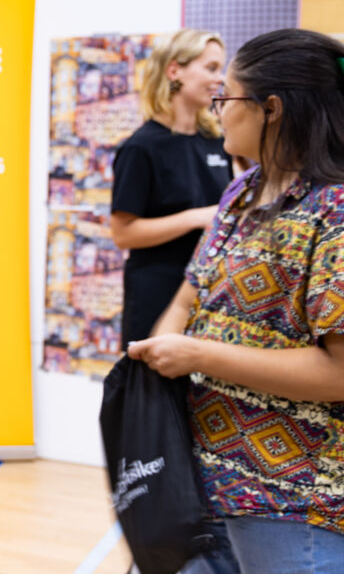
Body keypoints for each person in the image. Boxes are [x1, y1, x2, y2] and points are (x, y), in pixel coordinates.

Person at [130, 29, 344, 572]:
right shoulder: (241, 192)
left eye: (226, 96)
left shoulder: (334, 209)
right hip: (209, 479)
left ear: (271, 108)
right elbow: (189, 295)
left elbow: (339, 372)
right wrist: (164, 353)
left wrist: (197, 355)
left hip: (294, 500)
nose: (218, 109)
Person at [111, 29, 233, 349]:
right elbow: (123, 233)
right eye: (210, 68)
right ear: (174, 71)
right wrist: (195, 218)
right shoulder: (141, 147)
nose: (219, 79)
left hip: (209, 291)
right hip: (157, 289)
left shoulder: (217, 142)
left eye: (220, 69)